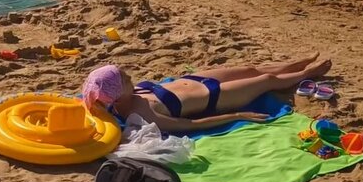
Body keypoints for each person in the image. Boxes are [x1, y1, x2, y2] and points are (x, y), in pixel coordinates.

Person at [81, 54, 331, 133]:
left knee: (249, 69)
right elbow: (188, 125)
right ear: (117, 93)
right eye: (123, 78)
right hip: (217, 96)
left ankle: (294, 65)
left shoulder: (129, 94)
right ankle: (307, 73)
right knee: (266, 80)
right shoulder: (142, 112)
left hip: (195, 79)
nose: (128, 76)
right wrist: (236, 115)